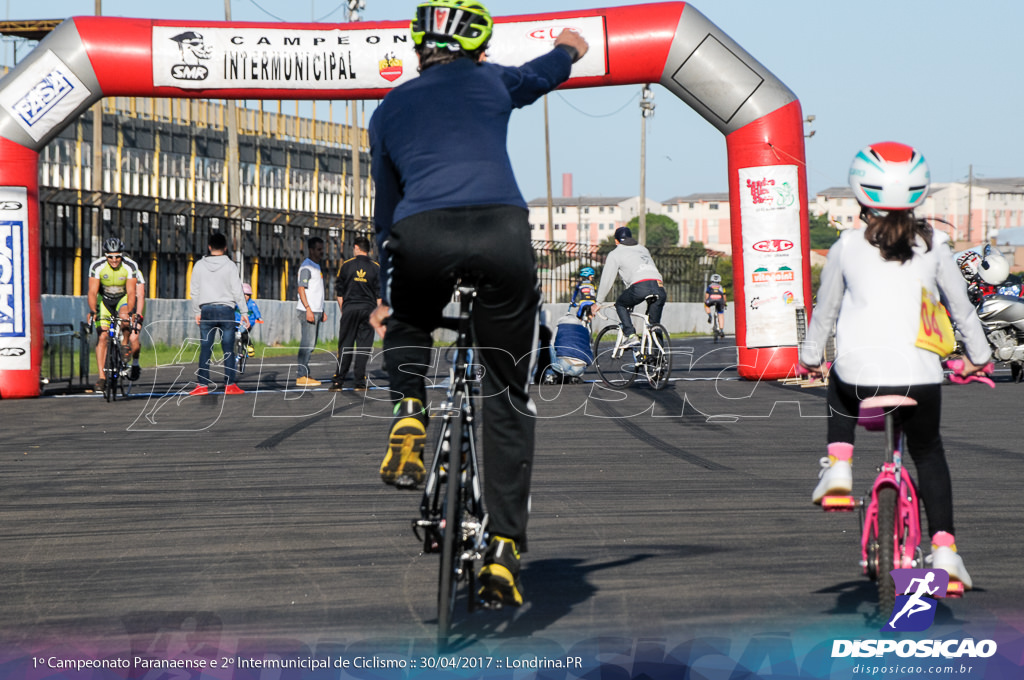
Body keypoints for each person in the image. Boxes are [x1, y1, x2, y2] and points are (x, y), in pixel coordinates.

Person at [367, 0, 588, 608]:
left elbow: (386, 208)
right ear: (479, 51)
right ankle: (507, 550)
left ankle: (409, 411)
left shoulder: (388, 108)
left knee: (410, 321)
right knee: (506, 394)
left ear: (418, 50)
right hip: (501, 231)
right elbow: (543, 74)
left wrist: (390, 298)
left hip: (422, 231)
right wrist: (569, 46)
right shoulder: (492, 81)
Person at [799, 142, 992, 589]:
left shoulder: (846, 245)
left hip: (857, 374)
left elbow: (824, 313)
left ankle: (840, 466)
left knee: (837, 379)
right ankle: (945, 553)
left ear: (860, 193)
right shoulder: (937, 244)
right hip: (921, 377)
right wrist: (977, 359)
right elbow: (962, 312)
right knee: (928, 453)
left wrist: (811, 358)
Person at [188, 232, 249, 396]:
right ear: (225, 247)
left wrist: (197, 311)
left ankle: (202, 384)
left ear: (209, 247)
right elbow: (237, 291)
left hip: (206, 309)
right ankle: (230, 384)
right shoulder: (230, 265)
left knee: (206, 348)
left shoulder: (199, 265)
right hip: (226, 310)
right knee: (228, 348)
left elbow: (194, 291)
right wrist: (244, 311)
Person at [594, 226, 667, 347]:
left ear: (616, 241)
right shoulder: (643, 249)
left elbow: (607, 279)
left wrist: (598, 302)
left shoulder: (615, 253)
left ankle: (631, 335)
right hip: (659, 285)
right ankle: (657, 357)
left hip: (640, 286)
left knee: (621, 304)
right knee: (653, 324)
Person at [86, 237, 138, 392]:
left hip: (122, 298)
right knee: (102, 336)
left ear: (122, 255)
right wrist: (93, 311)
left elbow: (131, 292)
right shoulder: (97, 266)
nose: (114, 260)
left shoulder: (129, 266)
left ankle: (124, 343)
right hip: (105, 301)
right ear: (105, 255)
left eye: (117, 256)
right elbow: (92, 292)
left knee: (124, 318)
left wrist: (130, 312)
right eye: (110, 257)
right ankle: (102, 377)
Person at [330, 236, 380, 392]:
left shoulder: (346, 266)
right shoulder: (376, 267)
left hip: (350, 308)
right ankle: (359, 382)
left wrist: (344, 310)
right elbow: (379, 296)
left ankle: (339, 381)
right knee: (364, 346)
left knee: (345, 345)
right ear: (369, 250)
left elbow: (339, 293)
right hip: (369, 309)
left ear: (357, 247)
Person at [296, 236, 328, 387]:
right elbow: (301, 288)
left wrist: (322, 310)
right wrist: (308, 309)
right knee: (307, 344)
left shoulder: (316, 266)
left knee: (311, 344)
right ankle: (301, 376)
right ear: (311, 250)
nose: (322, 252)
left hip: (316, 310)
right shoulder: (307, 267)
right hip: (308, 311)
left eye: (322, 249)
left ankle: (304, 374)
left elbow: (317, 291)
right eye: (319, 249)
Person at [122, 253, 146, 381]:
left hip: (135, 304)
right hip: (120, 305)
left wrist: (138, 314)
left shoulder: (136, 272)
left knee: (133, 336)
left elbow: (140, 296)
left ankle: (135, 363)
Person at [236, 282, 262, 358]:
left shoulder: (251, 303)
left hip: (248, 323)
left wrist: (258, 317)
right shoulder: (237, 303)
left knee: (244, 334)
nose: (245, 296)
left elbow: (256, 311)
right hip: (237, 322)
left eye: (247, 295)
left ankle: (249, 344)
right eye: (244, 294)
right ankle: (237, 350)